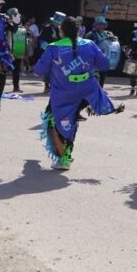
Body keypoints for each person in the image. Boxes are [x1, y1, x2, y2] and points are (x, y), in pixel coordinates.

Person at [33, 16, 124, 170]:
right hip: (86, 92)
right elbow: (104, 64)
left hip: (63, 95)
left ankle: (64, 159)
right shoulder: (90, 44)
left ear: (61, 31)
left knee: (52, 121)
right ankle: (65, 155)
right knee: (70, 120)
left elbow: (39, 70)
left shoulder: (53, 48)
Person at [85, 16, 118, 87]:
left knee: (103, 74)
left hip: (103, 56)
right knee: (93, 74)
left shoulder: (108, 33)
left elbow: (115, 40)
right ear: (95, 25)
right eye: (98, 24)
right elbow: (86, 45)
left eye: (102, 24)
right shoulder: (90, 34)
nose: (100, 26)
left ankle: (101, 88)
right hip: (93, 57)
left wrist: (113, 37)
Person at [38, 13, 63, 91]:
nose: (57, 25)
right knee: (48, 69)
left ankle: (54, 85)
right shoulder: (46, 28)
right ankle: (47, 85)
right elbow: (41, 39)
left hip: (58, 52)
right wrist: (47, 47)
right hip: (48, 51)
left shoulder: (60, 30)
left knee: (56, 69)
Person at [7, 8, 27, 93]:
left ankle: (16, 86)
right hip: (8, 50)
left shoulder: (19, 25)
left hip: (17, 50)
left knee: (16, 70)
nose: (17, 16)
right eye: (15, 14)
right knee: (2, 69)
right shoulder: (7, 24)